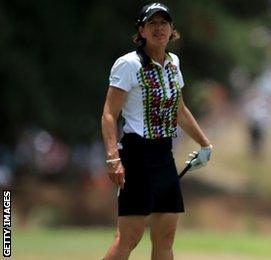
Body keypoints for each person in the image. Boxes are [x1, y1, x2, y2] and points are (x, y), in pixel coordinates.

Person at [100, 3, 213, 259]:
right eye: (152, 23)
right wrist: (112, 158)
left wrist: (205, 144)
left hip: (164, 155)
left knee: (165, 238)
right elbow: (109, 114)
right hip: (136, 155)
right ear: (141, 30)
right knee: (129, 237)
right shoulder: (128, 64)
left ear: (172, 29)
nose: (159, 28)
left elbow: (179, 110)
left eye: (164, 23)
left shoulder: (173, 63)